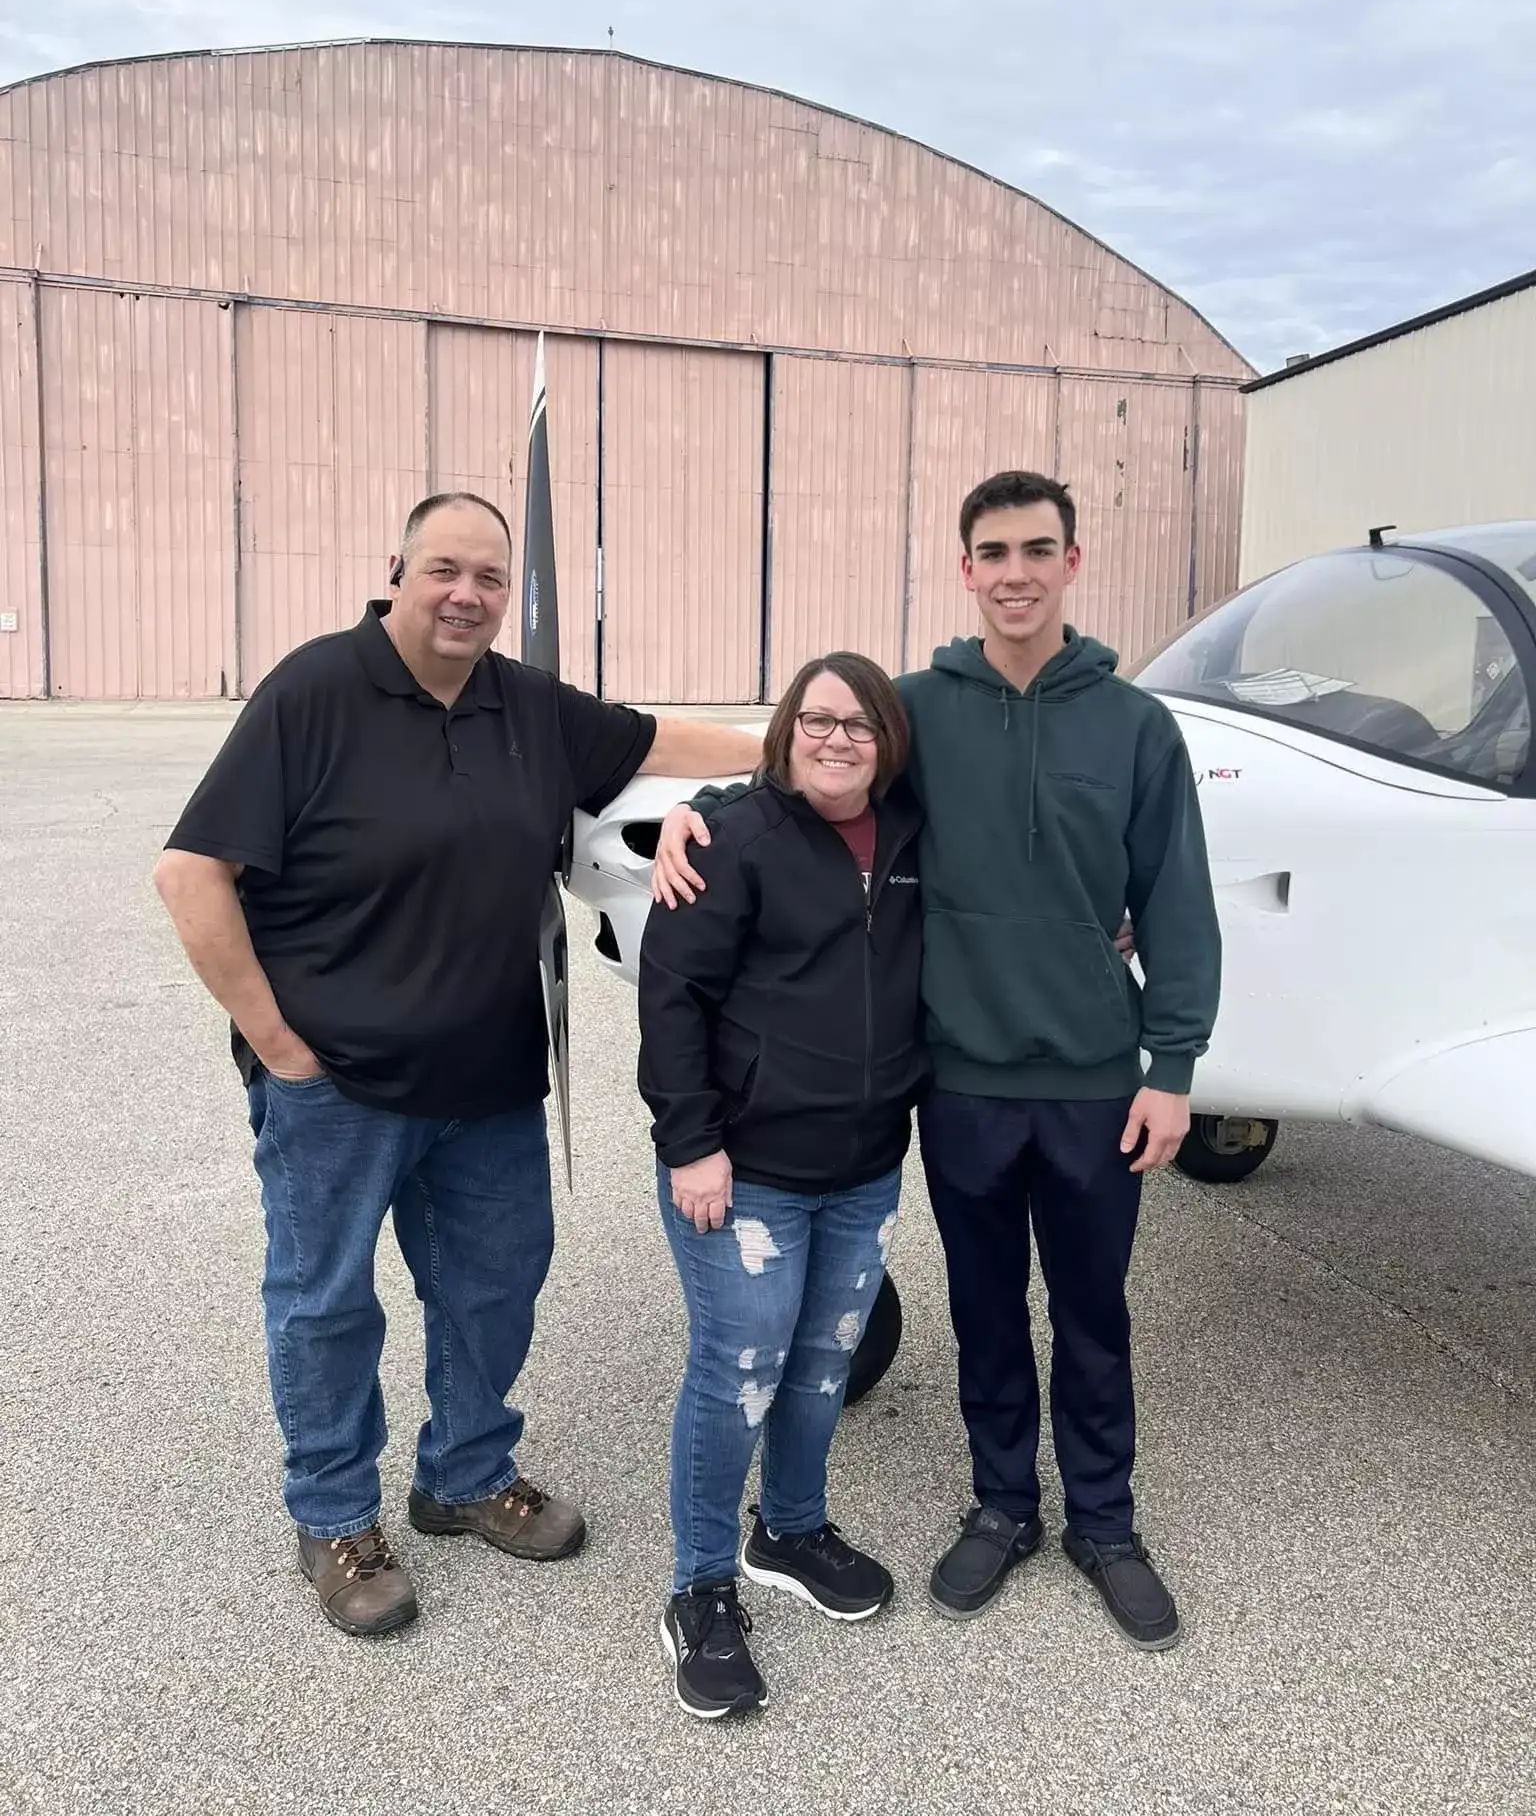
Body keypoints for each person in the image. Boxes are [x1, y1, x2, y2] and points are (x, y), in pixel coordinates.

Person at [153, 491, 762, 1639]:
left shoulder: (524, 705)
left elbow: (654, 741)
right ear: (397, 571)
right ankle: (334, 1516)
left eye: (489, 576)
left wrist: (805, 750)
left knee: (493, 1287)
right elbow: (191, 872)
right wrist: (280, 1046)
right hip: (337, 1086)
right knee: (325, 1304)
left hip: (488, 1081)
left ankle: (466, 1473)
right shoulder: (316, 690)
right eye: (445, 569)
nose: (467, 594)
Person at [653, 470, 1220, 1652]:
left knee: (1094, 1311)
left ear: (1072, 560)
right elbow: (814, 763)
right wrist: (693, 809)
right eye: (992, 551)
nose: (1015, 570)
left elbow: (1178, 897)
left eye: (1037, 548)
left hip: (1094, 1083)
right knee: (984, 1308)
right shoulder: (919, 709)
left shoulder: (1136, 726)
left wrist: (1173, 1061)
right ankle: (1005, 1502)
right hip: (959, 1084)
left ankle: (1105, 1522)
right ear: (965, 569)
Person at [638, 654, 924, 1719]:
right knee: (739, 1368)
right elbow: (671, 996)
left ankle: (790, 1529)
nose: (836, 739)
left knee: (821, 1362)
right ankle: (701, 1584)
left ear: (887, 741)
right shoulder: (733, 838)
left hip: (863, 1163)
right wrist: (690, 1141)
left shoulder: (909, 835)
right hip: (743, 1165)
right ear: (787, 730)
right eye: (816, 720)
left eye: (857, 724)